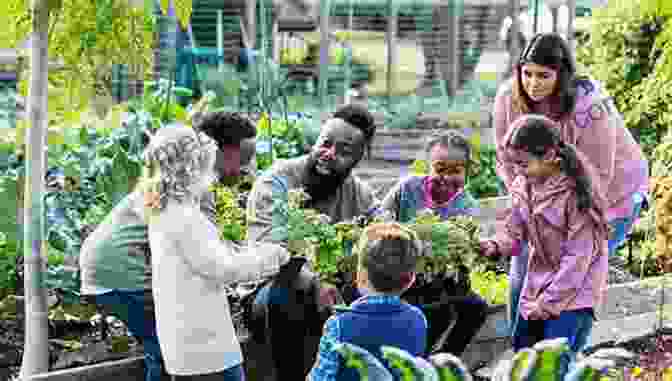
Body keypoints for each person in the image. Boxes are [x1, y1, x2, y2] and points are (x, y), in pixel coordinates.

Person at [78, 111, 257, 381]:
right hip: (124, 270)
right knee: (169, 345)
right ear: (215, 150)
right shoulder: (195, 189)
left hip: (104, 270)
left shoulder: (172, 180)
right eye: (243, 160)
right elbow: (208, 256)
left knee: (164, 343)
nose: (248, 169)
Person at [492, 32, 649, 335]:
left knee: (575, 275)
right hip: (544, 197)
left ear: (561, 75)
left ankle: (561, 356)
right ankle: (521, 354)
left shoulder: (589, 106)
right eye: (527, 73)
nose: (533, 83)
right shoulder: (508, 98)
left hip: (608, 197)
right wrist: (524, 208)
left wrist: (568, 221)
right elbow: (507, 160)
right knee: (524, 266)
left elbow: (599, 176)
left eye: (543, 75)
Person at [141, 124, 289, 380]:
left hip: (185, 341)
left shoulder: (163, 210)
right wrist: (271, 256)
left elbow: (206, 258)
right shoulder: (186, 217)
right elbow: (224, 268)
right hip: (204, 347)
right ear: (193, 168)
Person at [245, 103, 380, 381]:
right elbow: (270, 249)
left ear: (357, 160)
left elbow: (382, 228)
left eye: (343, 152)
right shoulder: (277, 181)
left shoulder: (358, 193)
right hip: (267, 294)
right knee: (289, 288)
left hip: (333, 293)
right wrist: (317, 280)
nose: (329, 154)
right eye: (325, 143)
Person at [480, 114, 609, 376]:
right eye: (514, 163)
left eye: (523, 164)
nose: (517, 170)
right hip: (539, 280)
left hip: (574, 291)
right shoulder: (524, 185)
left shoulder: (575, 196)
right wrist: (495, 246)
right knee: (523, 353)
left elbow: (578, 260)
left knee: (553, 362)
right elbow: (513, 230)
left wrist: (548, 303)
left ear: (550, 155)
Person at [377, 131, 488, 357]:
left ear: (467, 172)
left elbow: (465, 249)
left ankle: (445, 359)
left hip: (442, 276)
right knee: (437, 313)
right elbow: (380, 217)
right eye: (439, 169)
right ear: (428, 167)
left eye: (456, 171)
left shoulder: (467, 206)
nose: (446, 177)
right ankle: (413, 362)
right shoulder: (408, 189)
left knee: (476, 309)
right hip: (402, 273)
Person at [307, 222, 427, 381]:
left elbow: (320, 378)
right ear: (410, 279)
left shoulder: (337, 325)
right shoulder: (418, 319)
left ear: (361, 275)